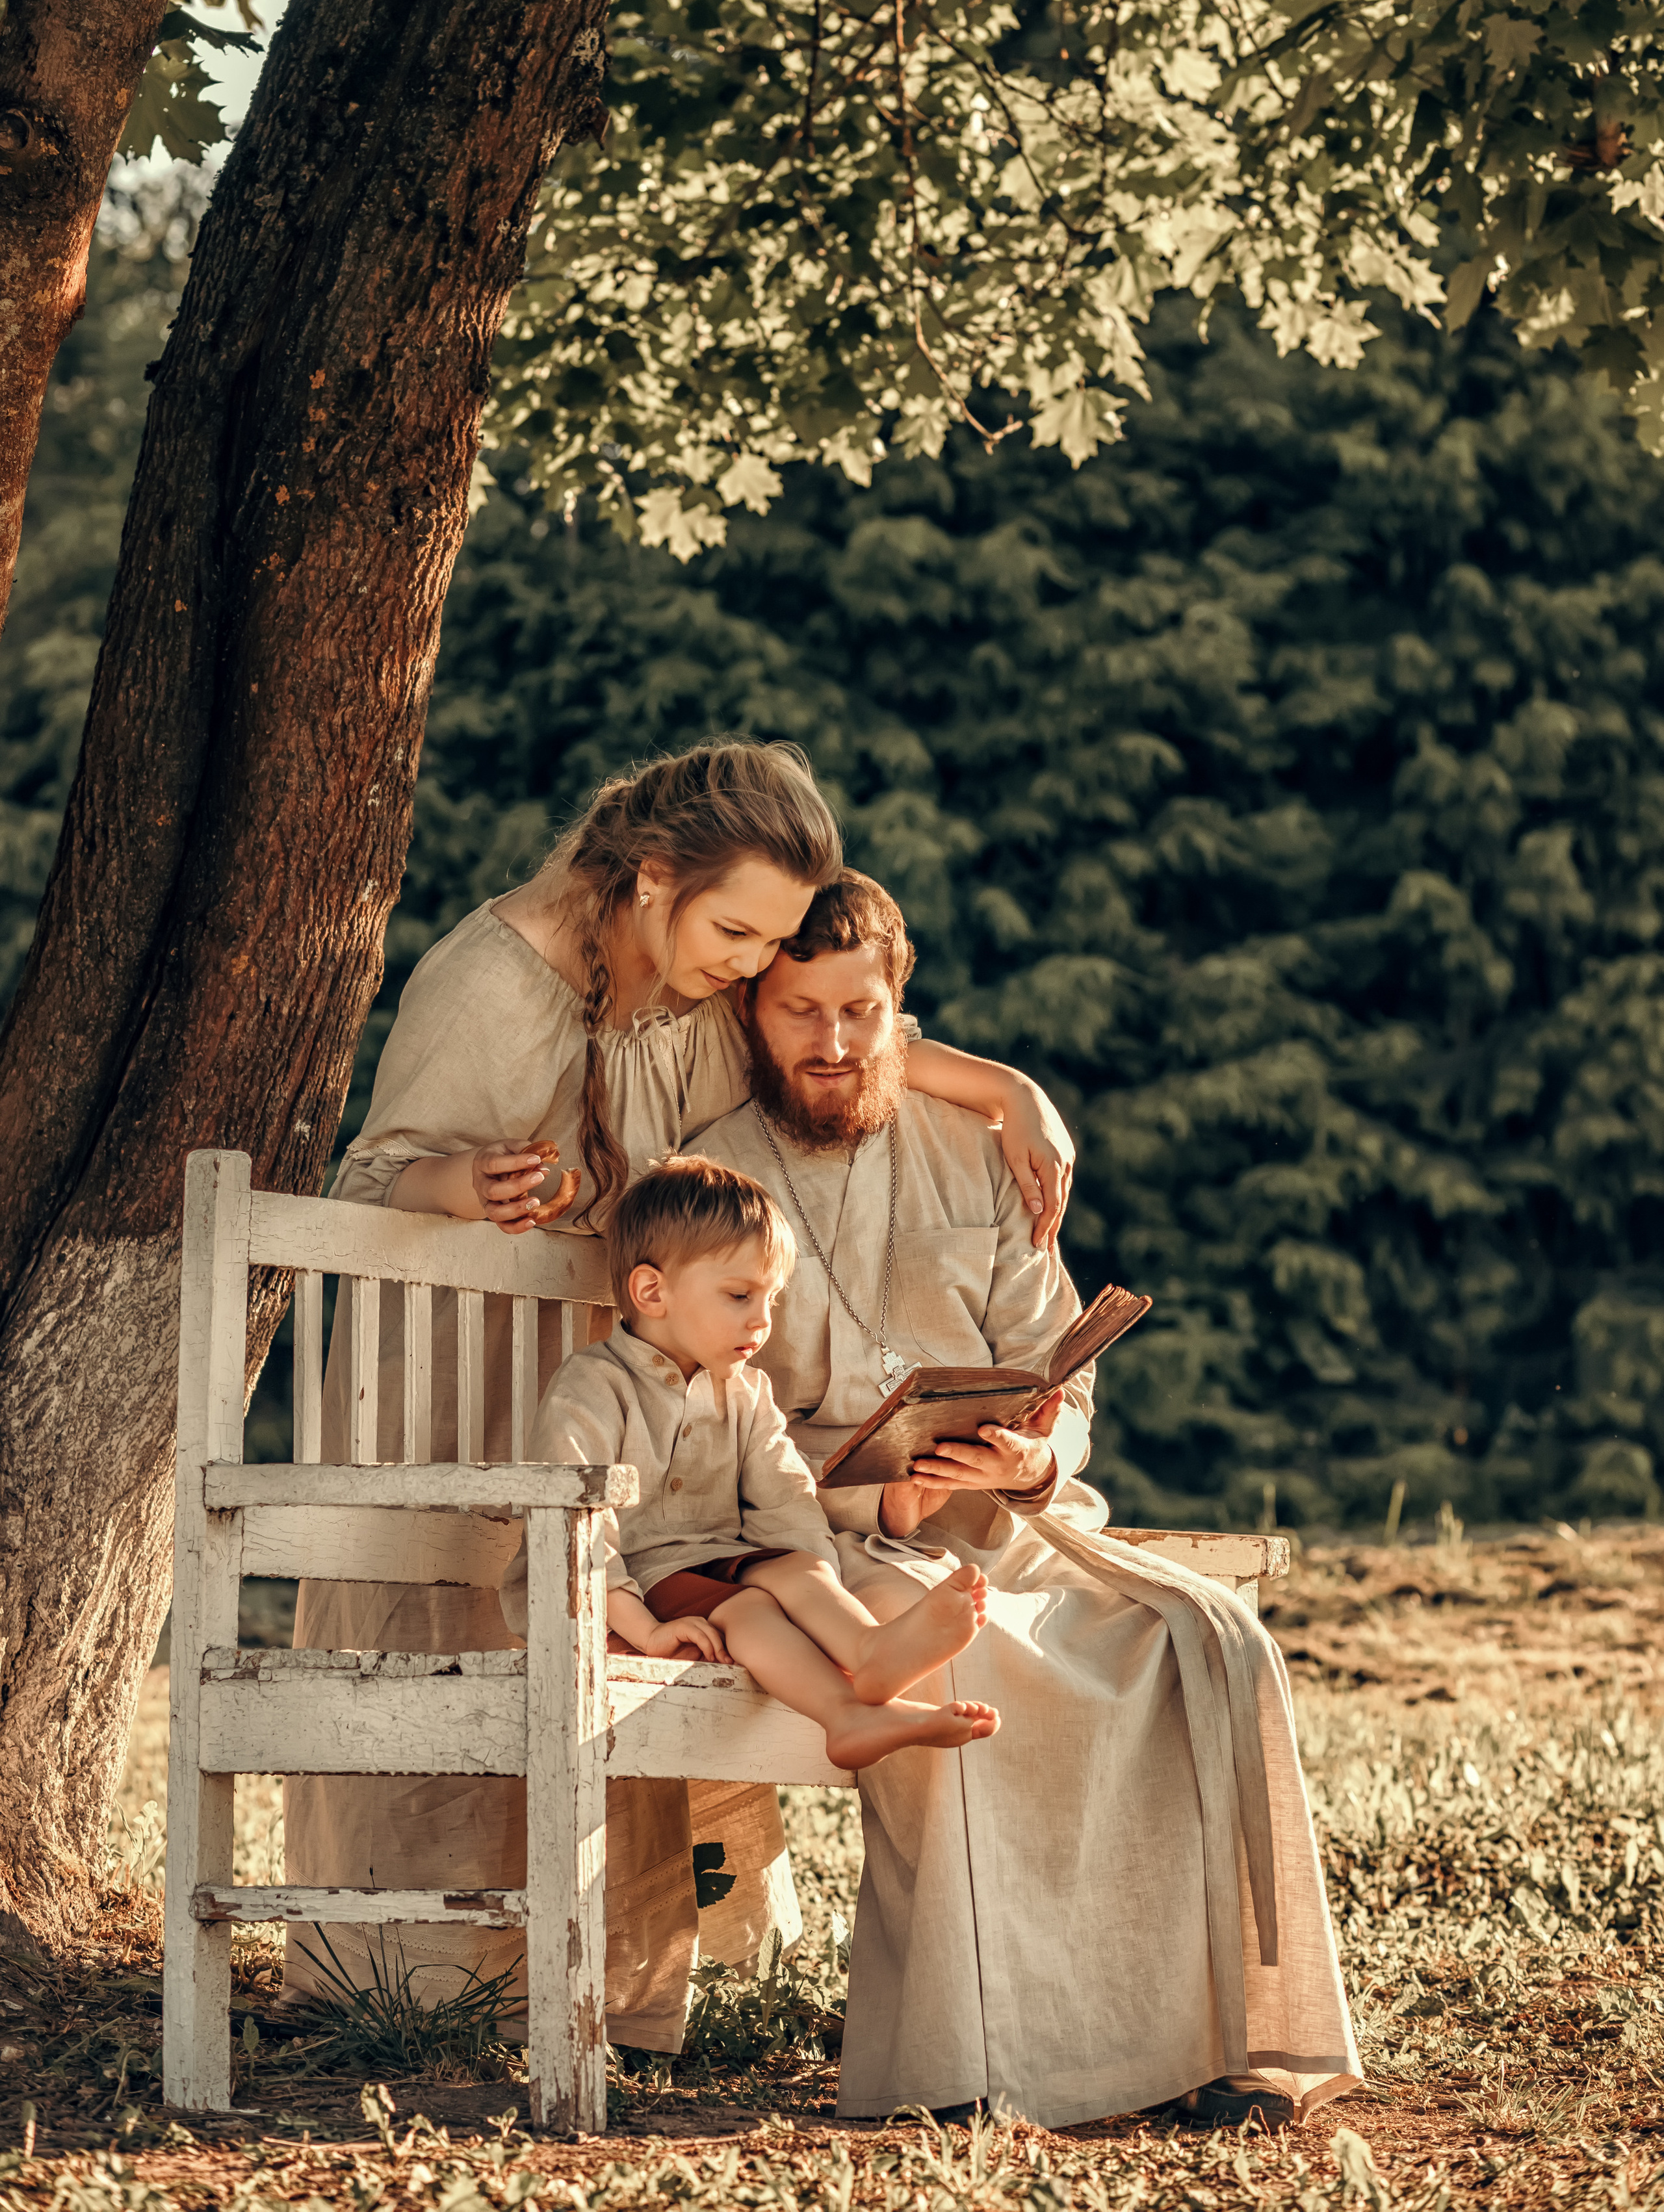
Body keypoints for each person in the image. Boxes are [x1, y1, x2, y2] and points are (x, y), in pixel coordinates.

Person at [283, 740, 1074, 2046]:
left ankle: (618, 1994)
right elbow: (377, 1182)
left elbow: (831, 1040)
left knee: (675, 1578)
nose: (752, 964)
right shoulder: (489, 984)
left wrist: (1008, 1091)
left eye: (767, 940)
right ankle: (408, 1988)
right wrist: (461, 1183)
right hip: (467, 1371)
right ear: (651, 878)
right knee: (466, 1640)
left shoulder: (690, 986)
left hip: (629, 1374)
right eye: (735, 930)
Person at [697, 871, 1362, 2131]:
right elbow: (706, 1423)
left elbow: (1060, 1373)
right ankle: (976, 2064)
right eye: (799, 1014)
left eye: (859, 1011)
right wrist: (870, 1505)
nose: (831, 1046)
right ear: (753, 1014)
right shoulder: (715, 1173)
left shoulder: (980, 1154)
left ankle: (1201, 2047)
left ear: (902, 1011)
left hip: (1016, 1523)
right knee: (964, 1658)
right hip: (831, 1543)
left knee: (1198, 1641)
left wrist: (1029, 1461)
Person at [502, 1155, 1000, 1768]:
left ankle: (868, 1654)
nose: (763, 1321)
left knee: (793, 1569)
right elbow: (576, 1538)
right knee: (750, 1607)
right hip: (622, 1591)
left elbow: (785, 1496)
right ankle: (845, 1715)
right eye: (740, 1295)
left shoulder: (744, 1391)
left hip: (714, 1567)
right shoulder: (595, 1388)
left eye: (771, 1297)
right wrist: (646, 1631)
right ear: (652, 1291)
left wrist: (813, 1579)